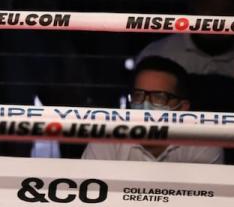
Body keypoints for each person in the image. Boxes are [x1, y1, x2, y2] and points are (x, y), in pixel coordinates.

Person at [84, 56, 223, 163]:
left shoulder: (202, 143)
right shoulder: (107, 137)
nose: (145, 104)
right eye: (138, 95)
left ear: (182, 108)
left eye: (158, 97)